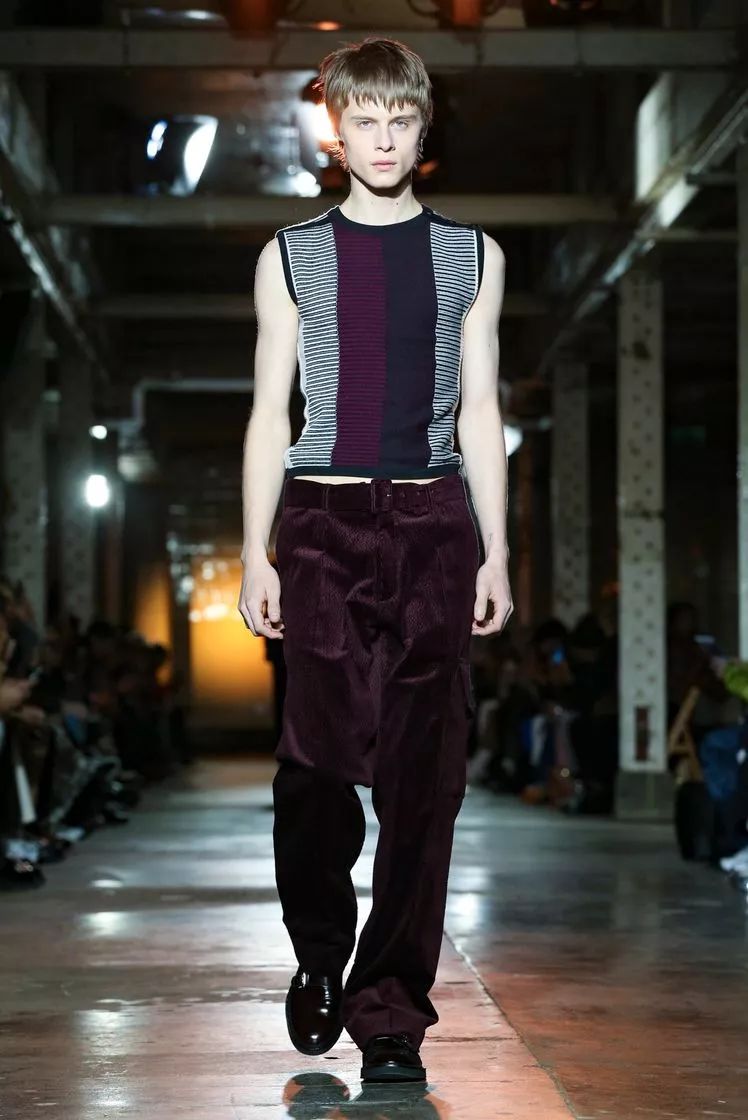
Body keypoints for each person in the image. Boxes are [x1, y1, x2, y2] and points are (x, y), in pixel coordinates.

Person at [238, 35, 511, 1084]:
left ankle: (390, 1011)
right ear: (337, 132)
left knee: (423, 779)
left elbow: (480, 411)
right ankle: (320, 950)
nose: (384, 139)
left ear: (421, 128)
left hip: (436, 520)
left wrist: (494, 550)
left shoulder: (473, 255)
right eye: (366, 122)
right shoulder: (289, 254)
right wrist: (255, 550)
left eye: (401, 121)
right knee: (314, 765)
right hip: (321, 519)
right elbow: (271, 412)